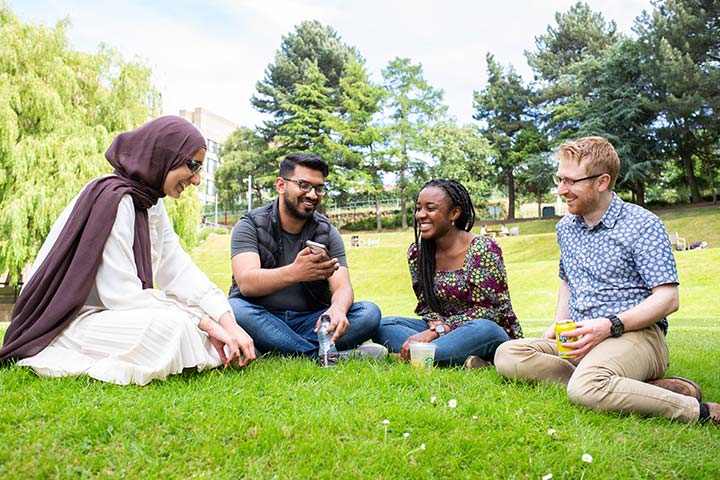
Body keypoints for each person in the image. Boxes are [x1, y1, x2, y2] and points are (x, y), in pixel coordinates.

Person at [0, 116, 255, 385]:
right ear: (163, 156)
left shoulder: (149, 202)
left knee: (199, 324)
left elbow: (176, 267)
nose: (197, 180)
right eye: (192, 166)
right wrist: (202, 321)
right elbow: (121, 296)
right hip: (69, 323)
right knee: (173, 329)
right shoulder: (113, 200)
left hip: (111, 316)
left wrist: (226, 321)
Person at [494, 136, 719, 425]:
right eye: (559, 179)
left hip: (636, 335)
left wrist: (609, 324)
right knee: (508, 355)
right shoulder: (566, 228)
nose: (561, 190)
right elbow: (567, 281)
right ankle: (634, 386)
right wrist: (557, 324)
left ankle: (700, 411)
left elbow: (668, 299)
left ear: (602, 182)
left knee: (584, 389)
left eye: (571, 181)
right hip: (581, 336)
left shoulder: (642, 224)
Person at [228, 153, 383, 358]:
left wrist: (337, 308)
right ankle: (321, 353)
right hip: (261, 316)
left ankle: (275, 349)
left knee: (369, 313)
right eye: (303, 185)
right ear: (281, 185)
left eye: (318, 188)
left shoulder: (327, 232)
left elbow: (342, 286)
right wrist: (296, 272)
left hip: (311, 321)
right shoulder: (250, 225)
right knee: (234, 308)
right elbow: (247, 283)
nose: (312, 194)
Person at [374, 179, 522, 368]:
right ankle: (448, 357)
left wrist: (440, 331)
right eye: (418, 208)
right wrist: (434, 327)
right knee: (384, 325)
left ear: (454, 213)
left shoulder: (483, 249)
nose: (420, 215)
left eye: (430, 208)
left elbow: (489, 311)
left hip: (483, 330)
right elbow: (426, 306)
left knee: (485, 329)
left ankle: (414, 355)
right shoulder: (417, 253)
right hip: (439, 330)